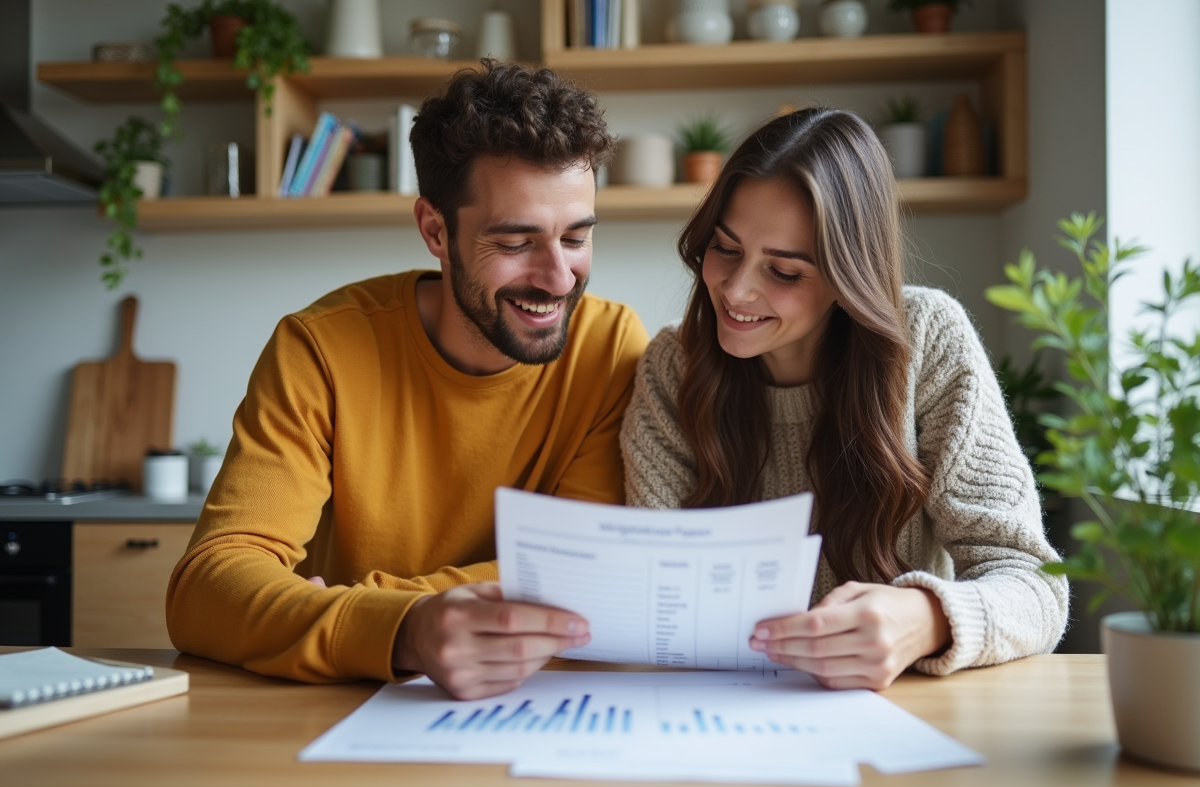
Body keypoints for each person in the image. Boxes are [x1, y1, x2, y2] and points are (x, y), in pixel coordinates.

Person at [166, 61, 648, 700]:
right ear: (435, 231)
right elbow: (206, 588)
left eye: (577, 237)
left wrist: (361, 610)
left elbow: (582, 576)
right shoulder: (322, 348)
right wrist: (407, 632)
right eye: (516, 242)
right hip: (340, 707)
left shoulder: (609, 348)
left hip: (536, 704)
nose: (559, 278)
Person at [620, 107, 1068, 691]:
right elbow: (652, 591)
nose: (736, 288)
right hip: (722, 711)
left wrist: (927, 618)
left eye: (783, 271)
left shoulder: (929, 341)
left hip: (901, 710)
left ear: (847, 277)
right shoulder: (672, 369)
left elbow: (1035, 583)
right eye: (725, 248)